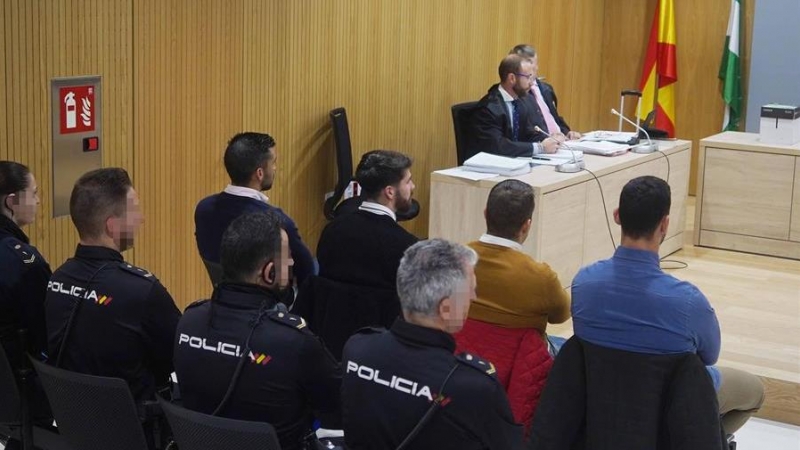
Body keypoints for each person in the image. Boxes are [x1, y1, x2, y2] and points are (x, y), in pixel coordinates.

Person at [571, 175, 765, 436]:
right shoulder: (688, 302)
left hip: (602, 403)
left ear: (617, 216)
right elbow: (708, 358)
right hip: (671, 407)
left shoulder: (583, 283)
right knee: (755, 391)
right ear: (664, 225)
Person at [175, 211, 341, 450]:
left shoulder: (189, 321)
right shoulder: (294, 342)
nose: (292, 263)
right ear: (269, 273)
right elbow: (339, 405)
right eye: (288, 259)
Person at [341, 239, 524, 450]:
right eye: (470, 291)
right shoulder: (476, 387)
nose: (473, 297)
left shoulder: (357, 349)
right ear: (446, 309)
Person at [45, 168, 181, 403]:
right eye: (134, 210)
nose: (141, 218)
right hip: (137, 432)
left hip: (73, 425)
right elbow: (179, 358)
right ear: (112, 226)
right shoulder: (142, 291)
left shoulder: (57, 279)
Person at [455, 180, 569, 431]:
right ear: (527, 225)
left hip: (457, 364)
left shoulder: (454, 259)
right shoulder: (540, 277)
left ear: (485, 214)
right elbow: (562, 315)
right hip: (516, 378)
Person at [195, 132, 315, 286]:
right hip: (270, 304)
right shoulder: (277, 222)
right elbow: (307, 274)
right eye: (273, 163)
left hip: (222, 296)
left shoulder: (203, 209)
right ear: (259, 173)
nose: (275, 168)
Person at [316, 150, 418, 290]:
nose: (413, 186)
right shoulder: (406, 248)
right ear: (390, 192)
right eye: (408, 181)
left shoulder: (331, 231)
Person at [0, 161, 51, 366]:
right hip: (17, 377)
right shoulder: (24, 263)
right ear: (12, 202)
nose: (37, 201)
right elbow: (45, 330)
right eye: (33, 193)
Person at [472, 54, 563, 158]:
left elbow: (529, 132)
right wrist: (540, 148)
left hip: (516, 162)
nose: (531, 83)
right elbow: (498, 146)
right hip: (490, 166)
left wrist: (550, 139)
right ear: (512, 78)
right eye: (528, 77)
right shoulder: (488, 108)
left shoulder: (521, 101)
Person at [510, 44, 581, 141]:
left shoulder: (546, 89)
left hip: (563, 143)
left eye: (533, 63)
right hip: (542, 147)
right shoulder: (515, 94)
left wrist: (567, 132)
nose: (535, 68)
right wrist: (547, 139)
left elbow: (553, 117)